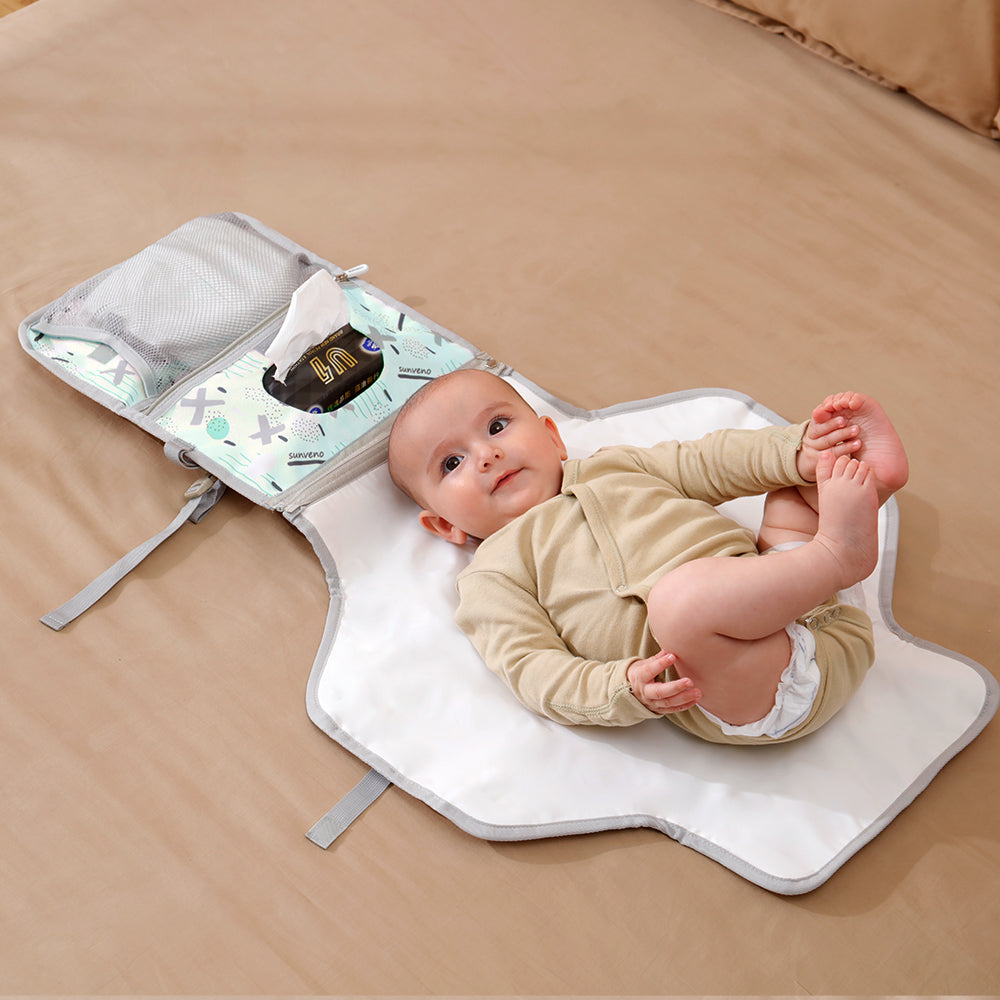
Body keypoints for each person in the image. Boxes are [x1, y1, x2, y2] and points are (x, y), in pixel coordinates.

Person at [387, 369, 908, 744]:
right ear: (444, 525)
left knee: (789, 492)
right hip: (753, 683)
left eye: (497, 427)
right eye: (452, 462)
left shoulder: (616, 467)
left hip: (802, 602)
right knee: (680, 603)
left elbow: (710, 462)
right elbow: (530, 667)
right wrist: (618, 688)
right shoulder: (493, 576)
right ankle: (841, 553)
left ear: (552, 437)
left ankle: (867, 481)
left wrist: (797, 450)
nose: (486, 455)